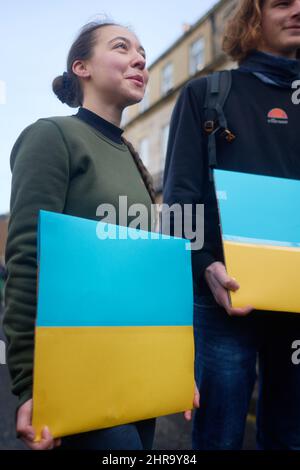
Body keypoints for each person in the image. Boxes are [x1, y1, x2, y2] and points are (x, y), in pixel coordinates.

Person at [3, 20, 159, 451]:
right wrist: (30, 384)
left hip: (140, 376)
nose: (140, 59)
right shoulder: (52, 136)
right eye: (122, 47)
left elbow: (147, 278)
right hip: (79, 376)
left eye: (143, 52)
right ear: (82, 67)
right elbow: (28, 257)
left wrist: (174, 369)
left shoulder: (130, 156)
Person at [163, 0, 300, 450]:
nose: (297, 10)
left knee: (290, 437)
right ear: (251, 16)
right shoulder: (207, 93)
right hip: (225, 300)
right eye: (283, 2)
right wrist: (205, 266)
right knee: (219, 439)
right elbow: (180, 200)